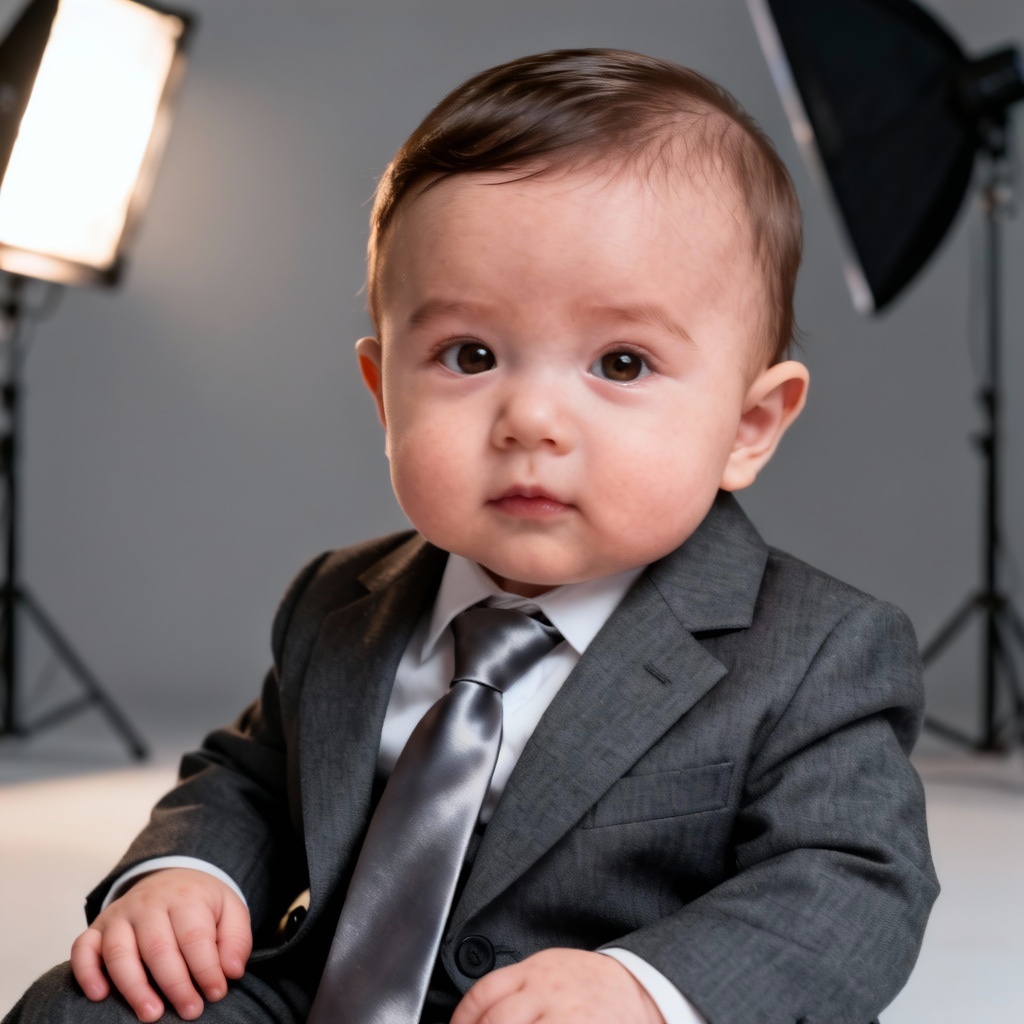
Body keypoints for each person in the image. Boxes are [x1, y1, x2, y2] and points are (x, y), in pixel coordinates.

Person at [5, 49, 938, 1024]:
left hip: (578, 1013)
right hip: (313, 990)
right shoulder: (338, 602)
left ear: (748, 426)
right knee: (85, 1008)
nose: (531, 418)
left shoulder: (816, 652)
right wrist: (186, 874)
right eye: (470, 354)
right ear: (384, 394)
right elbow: (250, 780)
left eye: (621, 363)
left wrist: (650, 988)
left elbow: (850, 881)